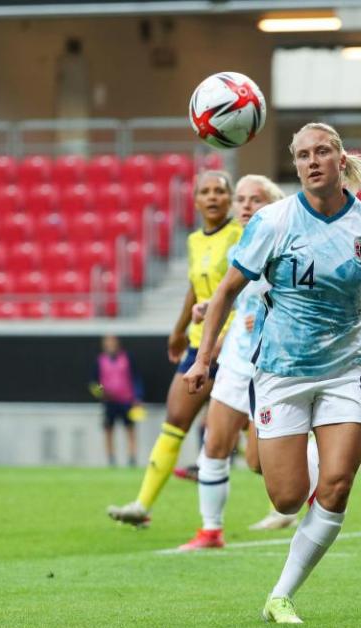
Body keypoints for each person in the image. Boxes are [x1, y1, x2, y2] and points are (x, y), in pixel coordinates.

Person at [183, 123, 361, 623]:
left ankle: (281, 594)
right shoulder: (272, 221)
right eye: (304, 155)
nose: (313, 161)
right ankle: (299, 460)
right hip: (281, 371)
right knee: (287, 497)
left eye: (323, 152)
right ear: (296, 165)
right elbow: (225, 291)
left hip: (348, 368)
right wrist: (204, 359)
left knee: (336, 484)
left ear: (340, 158)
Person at [178, 174, 320, 550]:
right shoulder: (236, 250)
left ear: (272, 206)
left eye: (254, 199)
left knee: (260, 463)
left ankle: (318, 473)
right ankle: (211, 531)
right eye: (240, 199)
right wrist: (209, 309)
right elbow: (239, 300)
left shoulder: (287, 244)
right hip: (237, 362)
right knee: (214, 444)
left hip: (272, 367)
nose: (244, 206)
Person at [108, 171, 243, 527]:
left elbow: (244, 291)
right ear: (196, 201)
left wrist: (225, 341)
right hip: (199, 345)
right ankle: (142, 505)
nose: (213, 197)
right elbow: (193, 289)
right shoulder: (196, 240)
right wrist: (179, 329)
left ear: (230, 199)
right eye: (206, 192)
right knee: (175, 420)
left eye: (220, 191)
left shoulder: (240, 236)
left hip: (233, 347)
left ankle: (299, 493)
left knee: (244, 437)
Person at [89, 335, 142, 467]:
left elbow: (135, 378)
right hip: (109, 402)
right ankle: (111, 458)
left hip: (126, 400)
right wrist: (102, 392)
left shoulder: (127, 358)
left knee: (130, 429)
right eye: (108, 342)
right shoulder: (100, 360)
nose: (111, 344)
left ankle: (132, 457)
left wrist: (137, 397)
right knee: (109, 430)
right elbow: (94, 383)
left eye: (113, 342)